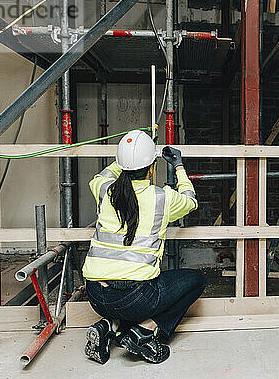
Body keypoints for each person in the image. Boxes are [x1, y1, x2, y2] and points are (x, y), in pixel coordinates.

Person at [81, 129, 205, 365]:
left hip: (95, 295)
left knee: (124, 302)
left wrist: (125, 160)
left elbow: (103, 175)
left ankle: (108, 325)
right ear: (151, 168)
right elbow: (190, 200)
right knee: (196, 280)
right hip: (135, 298)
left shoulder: (105, 190)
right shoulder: (162, 198)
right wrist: (178, 165)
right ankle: (145, 331)